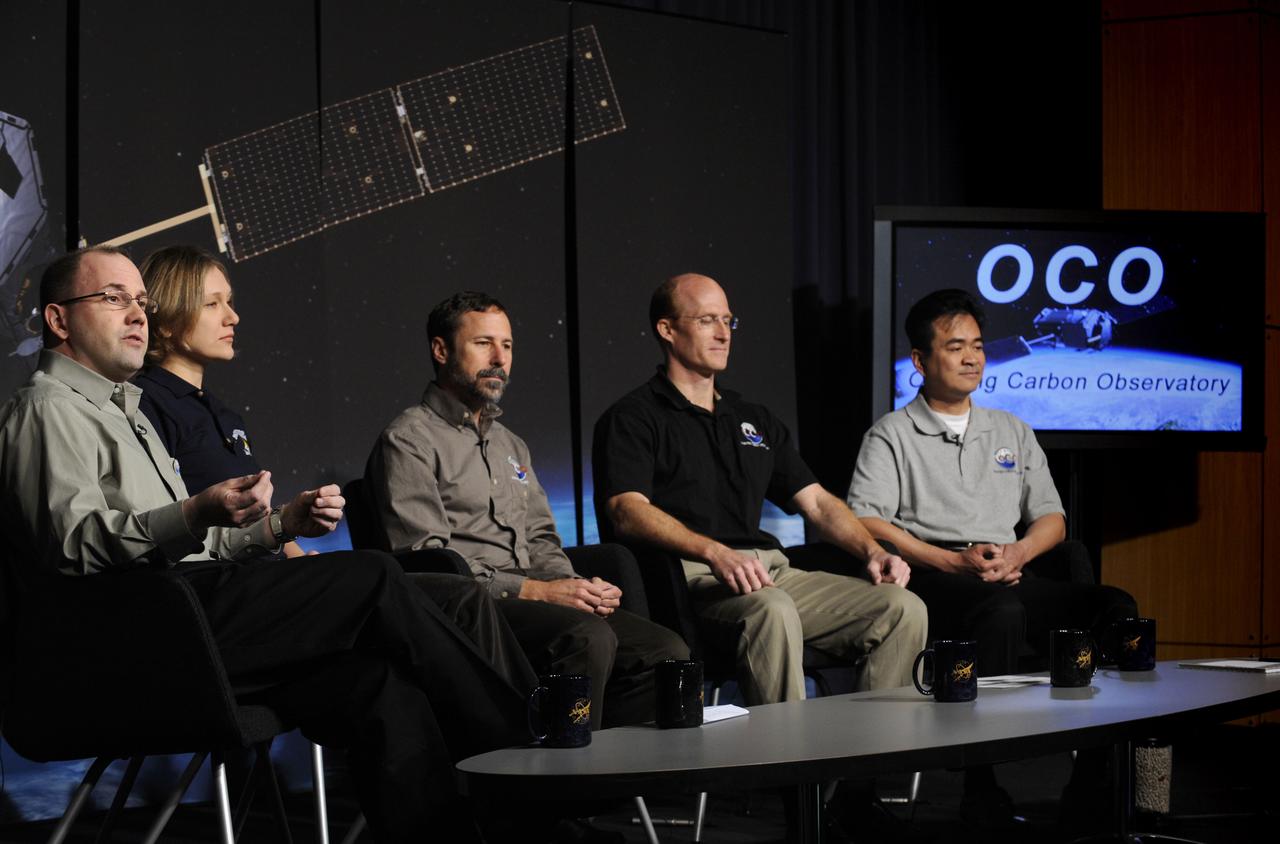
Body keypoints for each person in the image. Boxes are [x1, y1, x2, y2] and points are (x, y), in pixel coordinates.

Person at [0, 246, 540, 843]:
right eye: (113, 298)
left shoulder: (126, 413)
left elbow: (194, 543)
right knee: (373, 576)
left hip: (187, 616)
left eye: (140, 301)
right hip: (146, 641)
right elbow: (73, 548)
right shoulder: (46, 410)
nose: (136, 314)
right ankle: (529, 755)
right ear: (58, 319)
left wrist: (279, 527)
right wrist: (192, 512)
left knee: (376, 682)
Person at [846, 287, 1138, 827]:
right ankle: (983, 781)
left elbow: (1052, 517)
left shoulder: (1010, 429)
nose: (972, 358)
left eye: (978, 345)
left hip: (1007, 571)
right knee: (1001, 612)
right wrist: (947, 559)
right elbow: (865, 520)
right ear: (920, 361)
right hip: (934, 580)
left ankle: (1094, 780)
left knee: (1114, 607)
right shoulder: (891, 434)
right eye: (955, 347)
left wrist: (1020, 551)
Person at [593, 273, 928, 706]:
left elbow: (818, 503)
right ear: (667, 329)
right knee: (772, 609)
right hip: (692, 579)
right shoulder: (634, 417)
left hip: (768, 572)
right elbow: (626, 509)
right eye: (707, 320)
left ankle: (875, 750)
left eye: (727, 321)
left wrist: (873, 551)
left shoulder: (752, 418)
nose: (722, 333)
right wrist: (714, 552)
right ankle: (789, 750)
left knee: (902, 608)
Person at [365, 291, 689, 730]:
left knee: (666, 651)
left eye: (508, 345)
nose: (500, 359)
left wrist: (576, 588)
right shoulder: (409, 440)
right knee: (587, 638)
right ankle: (563, 765)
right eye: (484, 343)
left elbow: (540, 539)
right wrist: (537, 592)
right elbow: (429, 564)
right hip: (471, 610)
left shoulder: (511, 445)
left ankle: (600, 757)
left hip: (533, 599)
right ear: (441, 350)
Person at [133, 245, 309, 556]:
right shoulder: (143, 405)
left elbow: (260, 520)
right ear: (166, 323)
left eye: (229, 302)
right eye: (212, 304)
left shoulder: (226, 416)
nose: (233, 317)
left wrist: (305, 560)